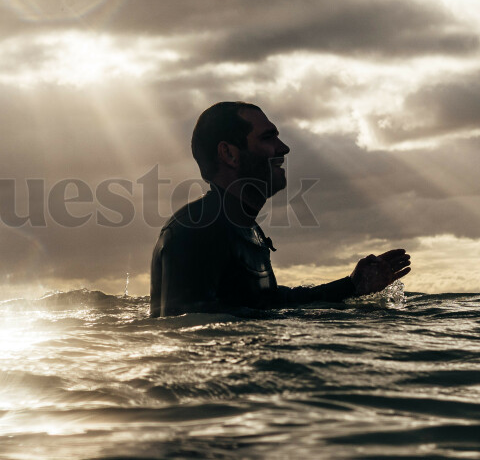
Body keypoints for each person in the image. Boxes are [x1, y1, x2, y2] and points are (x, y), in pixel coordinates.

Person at [150, 101, 411, 316]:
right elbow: (187, 331)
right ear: (229, 154)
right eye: (268, 137)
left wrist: (351, 286)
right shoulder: (196, 230)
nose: (283, 148)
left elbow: (269, 300)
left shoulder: (243, 226)